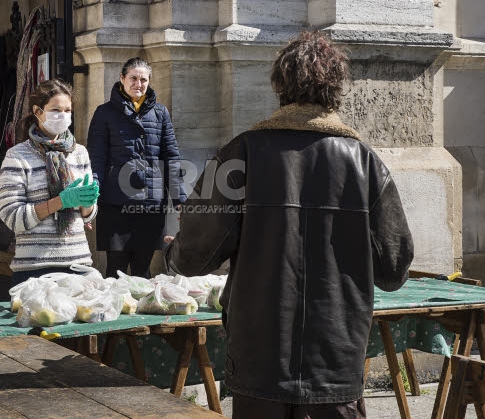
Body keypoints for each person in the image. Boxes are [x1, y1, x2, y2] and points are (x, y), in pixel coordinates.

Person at [165, 31, 414, 418]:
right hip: (335, 358)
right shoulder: (365, 163)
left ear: (280, 85)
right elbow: (394, 269)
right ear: (335, 88)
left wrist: (171, 253)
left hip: (260, 356)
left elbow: (193, 258)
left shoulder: (242, 153)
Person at [87, 57, 186, 278]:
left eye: (143, 79)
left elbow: (170, 156)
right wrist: (91, 198)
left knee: (143, 269)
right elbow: (97, 158)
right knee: (116, 270)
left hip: (150, 203)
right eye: (133, 78)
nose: (138, 84)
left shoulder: (160, 113)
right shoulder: (104, 113)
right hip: (115, 204)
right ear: (122, 79)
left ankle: (143, 311)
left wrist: (179, 198)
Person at [0, 79, 99, 286]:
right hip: (34, 270)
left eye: (68, 110)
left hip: (77, 265)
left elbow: (87, 215)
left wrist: (88, 203)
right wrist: (59, 202)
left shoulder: (79, 153)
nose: (63, 116)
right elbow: (11, 216)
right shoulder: (17, 156)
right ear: (37, 111)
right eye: (56, 110)